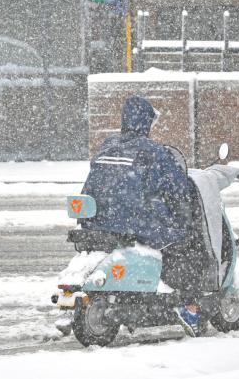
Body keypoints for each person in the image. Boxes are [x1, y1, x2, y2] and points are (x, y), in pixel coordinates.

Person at [80, 95, 205, 336]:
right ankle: (186, 304)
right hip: (137, 224)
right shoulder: (155, 153)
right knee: (189, 245)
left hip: (100, 222)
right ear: (146, 123)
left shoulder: (107, 146)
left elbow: (93, 184)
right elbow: (177, 188)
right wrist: (184, 213)